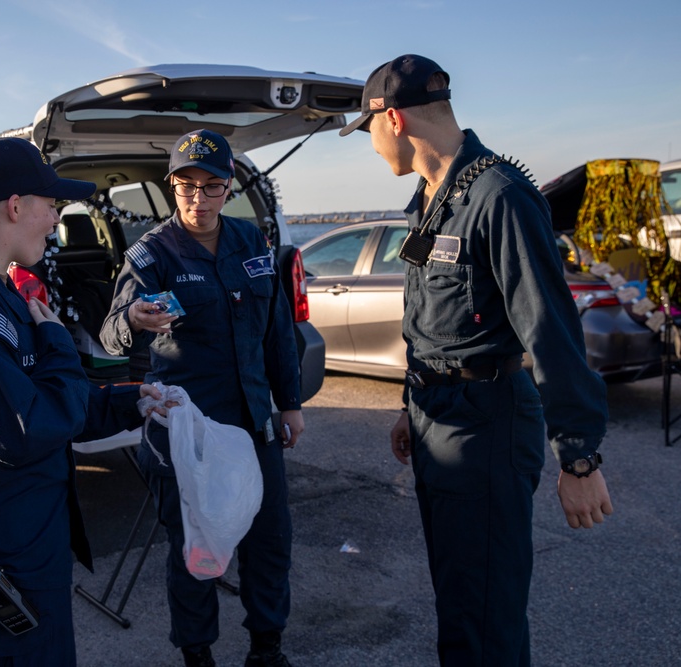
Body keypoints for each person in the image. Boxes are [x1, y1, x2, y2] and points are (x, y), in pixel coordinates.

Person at [340, 54, 614, 665]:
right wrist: (412, 407)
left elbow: (550, 332)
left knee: (484, 616)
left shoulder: (500, 197)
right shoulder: (434, 197)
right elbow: (429, 323)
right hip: (439, 419)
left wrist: (579, 457)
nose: (372, 144)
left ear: (395, 119)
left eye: (369, 130)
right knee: (459, 599)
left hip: (486, 423)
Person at [0, 137, 169, 667]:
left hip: (25, 544)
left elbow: (46, 404)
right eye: (53, 207)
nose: (56, 222)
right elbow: (25, 432)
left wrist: (134, 401)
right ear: (16, 206)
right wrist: (59, 345)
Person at [99, 128, 305, 667]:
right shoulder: (153, 253)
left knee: (269, 540)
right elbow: (110, 331)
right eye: (185, 186)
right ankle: (197, 654)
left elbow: (277, 330)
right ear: (172, 187)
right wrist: (132, 319)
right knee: (196, 548)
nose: (198, 198)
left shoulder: (250, 241)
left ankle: (267, 649)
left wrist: (290, 403)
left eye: (210, 186)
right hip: (188, 429)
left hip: (254, 422)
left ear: (228, 187)